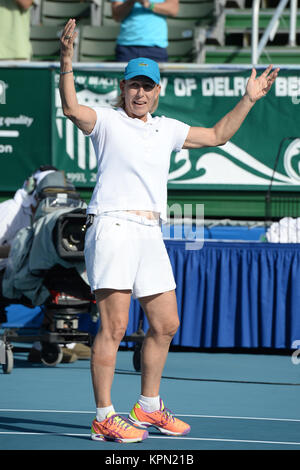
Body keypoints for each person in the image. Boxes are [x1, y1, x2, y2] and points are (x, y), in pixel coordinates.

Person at [59, 18, 279, 443]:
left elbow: (217, 135)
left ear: (158, 92)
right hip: (112, 226)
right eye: (133, 85)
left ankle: (148, 407)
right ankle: (104, 415)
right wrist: (67, 59)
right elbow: (71, 107)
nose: (140, 93)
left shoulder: (167, 129)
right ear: (122, 89)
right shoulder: (104, 122)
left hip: (149, 232)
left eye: (147, 86)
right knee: (116, 327)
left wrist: (249, 99)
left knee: (166, 323)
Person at [110, 0, 179, 62]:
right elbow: (117, 16)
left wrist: (147, 4)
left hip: (156, 47)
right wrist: (131, 1)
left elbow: (173, 10)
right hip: (126, 48)